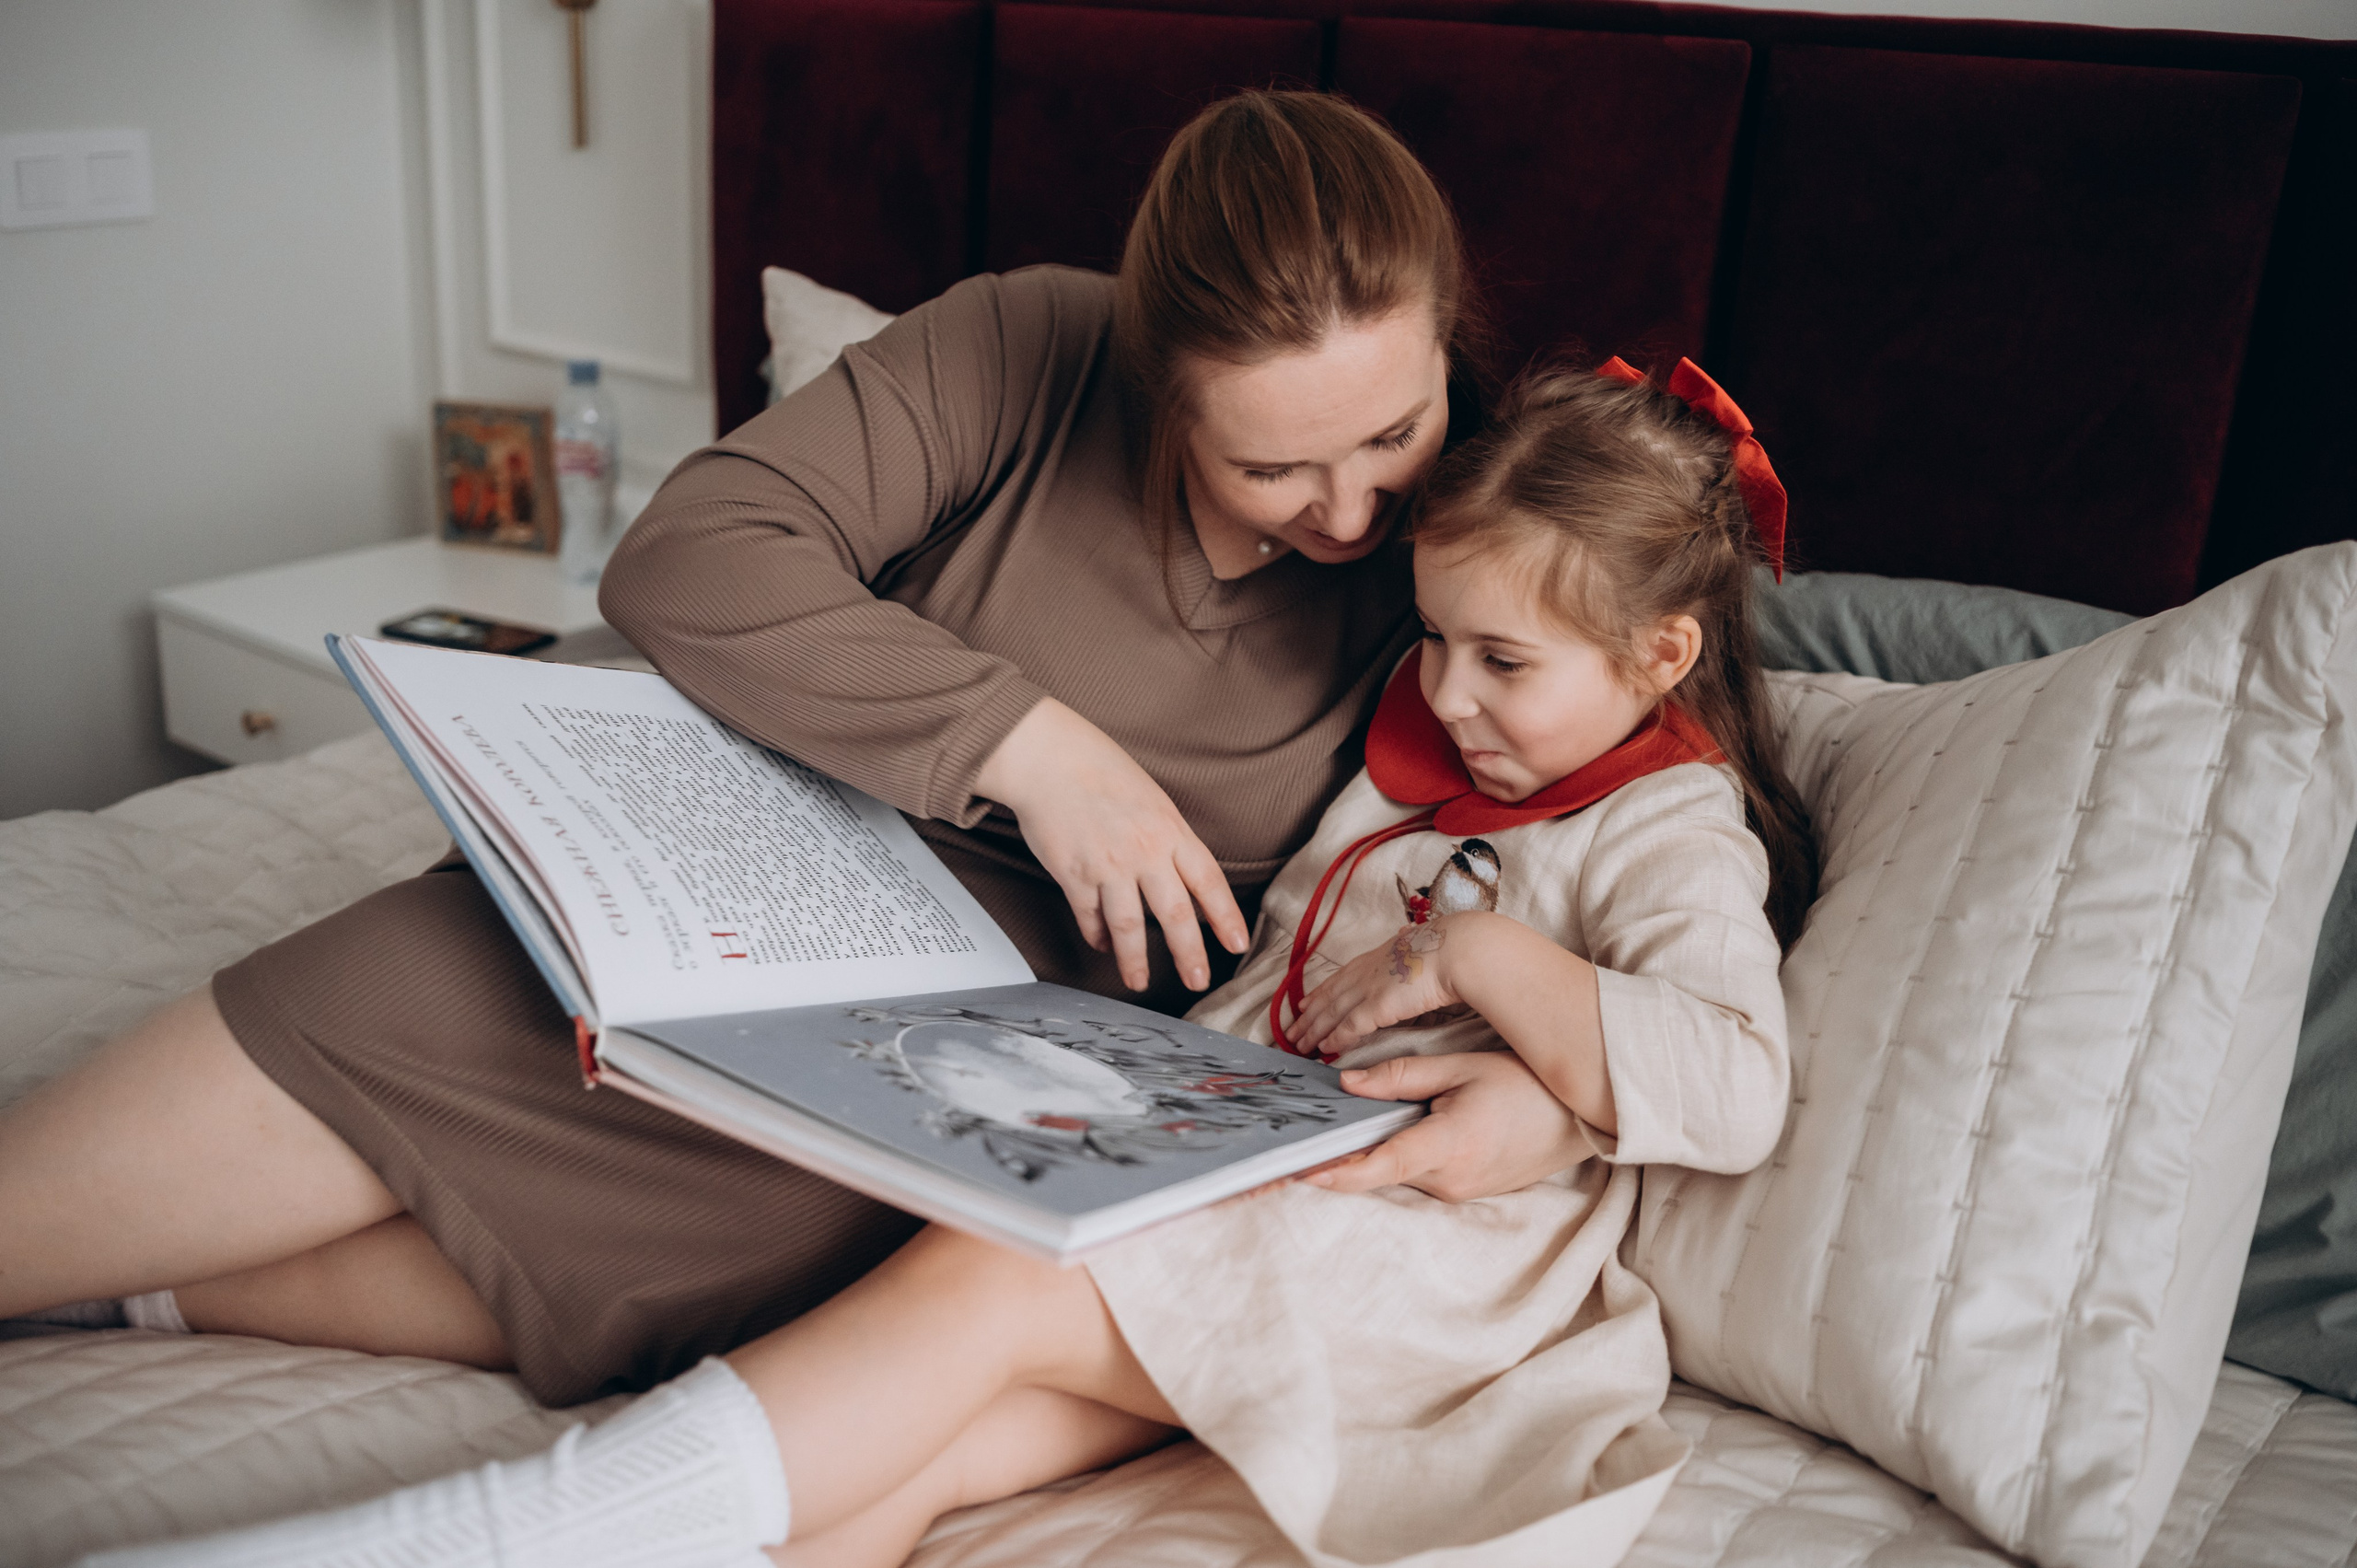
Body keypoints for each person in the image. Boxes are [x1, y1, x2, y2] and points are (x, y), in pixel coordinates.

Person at [3, 90, 1593, 1425]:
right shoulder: (1032, 344)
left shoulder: (1481, 527)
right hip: (736, 876)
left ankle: (129, 1301)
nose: (1351, 515)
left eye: (1391, 431)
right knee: (426, 996)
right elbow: (693, 557)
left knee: (758, 1260)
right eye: (1273, 464)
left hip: (972, 1062)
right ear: (1155, 385)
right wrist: (1034, 746)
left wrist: (1557, 1073)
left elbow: (1635, 800)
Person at [78, 361, 1813, 1568]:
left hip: (1412, 1262)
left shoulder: (1664, 827)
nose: (1443, 694)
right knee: (925, 1453)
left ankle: (477, 1533)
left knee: (973, 1291)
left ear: (1659, 652)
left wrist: (1502, 972)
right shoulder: (1422, 734)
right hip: (1247, 1175)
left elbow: (1730, 1079)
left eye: (1499, 660)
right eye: (1430, 641)